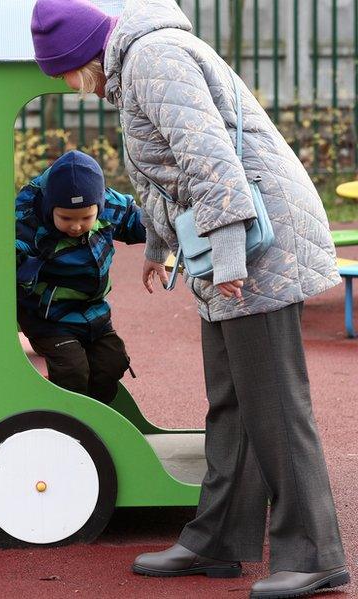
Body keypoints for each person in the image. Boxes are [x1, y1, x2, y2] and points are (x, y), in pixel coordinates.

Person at [30, 0, 350, 597]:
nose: (71, 88)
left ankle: (313, 552)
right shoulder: (137, 69)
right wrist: (157, 243)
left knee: (275, 399)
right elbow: (161, 171)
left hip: (258, 239)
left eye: (66, 75)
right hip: (232, 233)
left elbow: (211, 161)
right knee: (233, 395)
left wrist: (229, 257)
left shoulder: (155, 59)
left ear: (82, 56)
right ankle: (220, 538)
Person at [16, 150, 146, 404]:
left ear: (99, 206)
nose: (76, 226)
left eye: (86, 218)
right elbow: (8, 251)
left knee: (112, 362)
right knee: (72, 370)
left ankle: (97, 416)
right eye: (66, 218)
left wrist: (164, 241)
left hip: (93, 311)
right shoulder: (29, 220)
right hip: (48, 317)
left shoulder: (109, 205)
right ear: (50, 207)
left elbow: (139, 221)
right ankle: (66, 421)